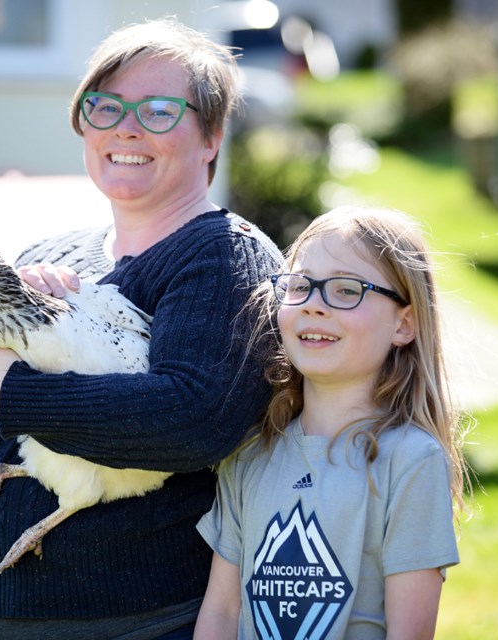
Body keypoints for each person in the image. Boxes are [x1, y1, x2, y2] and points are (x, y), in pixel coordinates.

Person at [0, 17, 283, 640]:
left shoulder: (221, 258)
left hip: (135, 621)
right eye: (104, 107)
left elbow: (191, 419)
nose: (126, 128)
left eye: (159, 111)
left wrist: (17, 393)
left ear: (212, 136)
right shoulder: (56, 252)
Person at [194, 205, 472, 639]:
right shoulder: (249, 454)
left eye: (346, 290)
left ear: (404, 324)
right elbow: (222, 612)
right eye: (301, 286)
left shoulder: (411, 460)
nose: (315, 306)